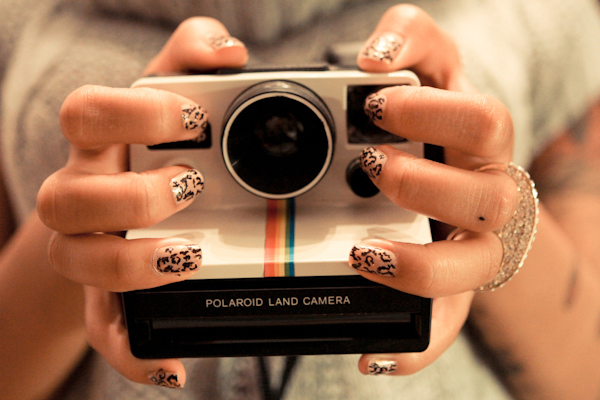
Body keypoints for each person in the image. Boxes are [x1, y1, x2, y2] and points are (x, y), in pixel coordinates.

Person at [1, 0, 600, 399]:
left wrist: (483, 214)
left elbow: (586, 375)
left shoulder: (538, 13)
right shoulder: (26, 23)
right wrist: (88, 238)